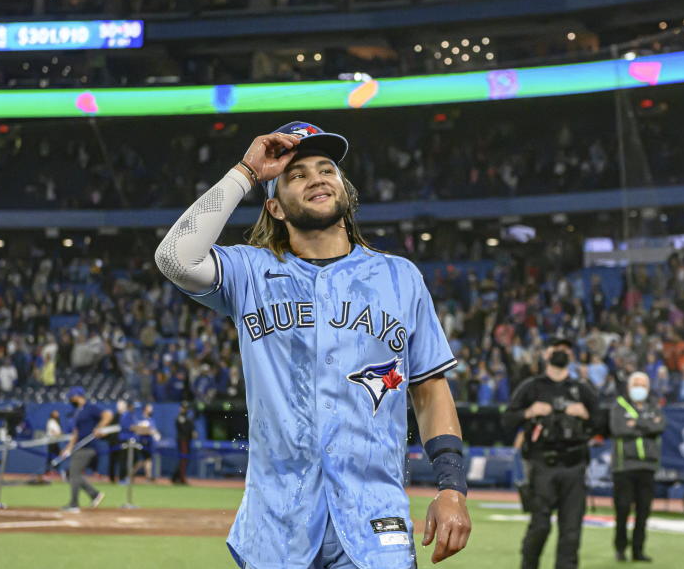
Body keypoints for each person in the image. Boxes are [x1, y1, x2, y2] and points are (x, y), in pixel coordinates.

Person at [154, 123, 471, 569]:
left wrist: (452, 487)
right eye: (297, 175)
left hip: (374, 523)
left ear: (345, 191)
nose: (317, 177)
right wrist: (247, 170)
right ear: (275, 207)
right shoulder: (249, 272)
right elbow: (173, 257)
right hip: (275, 527)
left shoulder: (400, 277)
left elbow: (430, 389)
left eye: (327, 170)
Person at [503, 338, 600, 569]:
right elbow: (507, 420)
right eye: (557, 349)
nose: (562, 353)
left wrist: (586, 415)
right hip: (541, 465)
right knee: (540, 526)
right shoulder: (531, 387)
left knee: (571, 531)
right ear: (546, 353)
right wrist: (529, 412)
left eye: (567, 349)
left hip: (574, 464)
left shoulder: (582, 389)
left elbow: (601, 424)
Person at [610, 372, 665, 562]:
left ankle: (638, 550)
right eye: (636, 384)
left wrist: (636, 424)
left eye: (643, 385)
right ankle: (620, 548)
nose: (639, 388)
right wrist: (647, 425)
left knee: (643, 511)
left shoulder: (653, 405)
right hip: (624, 466)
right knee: (623, 509)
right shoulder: (619, 405)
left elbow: (660, 426)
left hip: (647, 466)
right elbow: (619, 429)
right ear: (629, 386)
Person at [60, 386, 112, 513]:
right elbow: (76, 432)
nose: (71, 400)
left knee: (73, 474)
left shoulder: (90, 408)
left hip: (88, 447)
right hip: (79, 446)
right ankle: (94, 494)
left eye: (72, 397)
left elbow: (108, 415)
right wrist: (68, 448)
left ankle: (74, 504)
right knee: (73, 474)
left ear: (78, 396)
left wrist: (99, 427)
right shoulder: (78, 411)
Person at [172, 402, 196, 485]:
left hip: (187, 440)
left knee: (185, 459)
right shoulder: (180, 417)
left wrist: (193, 431)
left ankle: (176, 477)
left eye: (186, 408)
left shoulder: (188, 417)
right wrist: (191, 431)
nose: (184, 409)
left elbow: (192, 428)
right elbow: (184, 429)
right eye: (183, 407)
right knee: (183, 459)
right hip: (182, 440)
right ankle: (180, 478)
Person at [43, 409, 62, 481]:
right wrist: (57, 434)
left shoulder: (57, 422)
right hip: (51, 441)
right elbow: (53, 431)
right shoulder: (51, 421)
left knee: (57, 455)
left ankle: (53, 470)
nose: (58, 414)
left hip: (55, 441)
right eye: (56, 413)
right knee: (51, 456)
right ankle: (47, 471)